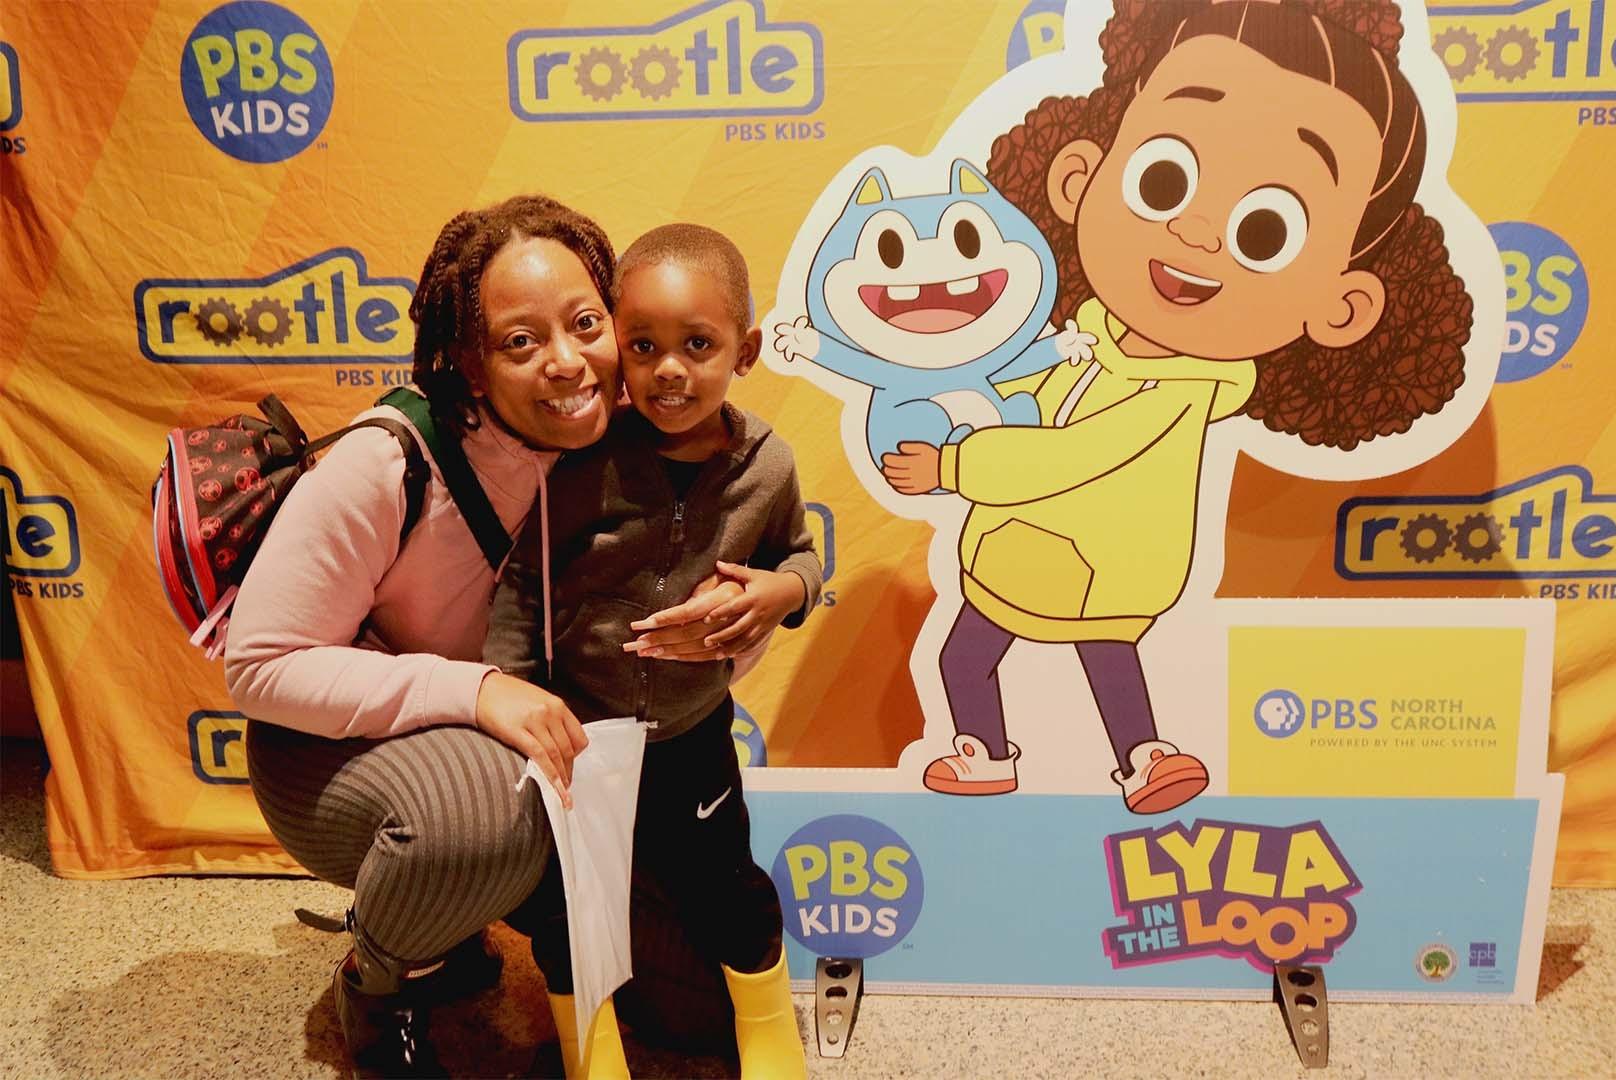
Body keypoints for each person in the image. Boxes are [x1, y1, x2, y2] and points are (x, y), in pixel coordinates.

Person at [876, 0, 1473, 811]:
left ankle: (1047, 756)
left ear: (1340, 304)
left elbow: (1071, 454)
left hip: (1080, 555)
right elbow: (1038, 392)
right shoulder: (1091, 336)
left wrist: (952, 464)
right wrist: (964, 375)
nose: (1196, 231)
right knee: (1088, 659)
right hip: (1051, 550)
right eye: (1165, 178)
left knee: (988, 657)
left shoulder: (1177, 392)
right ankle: (1108, 756)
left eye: (1268, 229)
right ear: (1081, 179)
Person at [224, 196, 757, 1077]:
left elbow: (701, 618)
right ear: (470, 364)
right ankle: (384, 975)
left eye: (585, 324)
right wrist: (473, 689)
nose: (566, 363)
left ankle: (460, 916)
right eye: (520, 342)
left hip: (521, 732)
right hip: (338, 752)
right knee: (486, 817)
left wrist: (740, 623)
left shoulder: (646, 444)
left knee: (686, 1006)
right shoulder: (390, 462)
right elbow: (261, 666)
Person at [488, 224, 821, 1079]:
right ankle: (590, 1049)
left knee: (727, 885)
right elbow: (526, 584)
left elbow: (800, 555)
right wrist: (519, 697)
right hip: (580, 737)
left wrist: (788, 592)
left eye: (698, 346)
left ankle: (769, 1028)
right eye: (644, 346)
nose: (670, 370)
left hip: (691, 735)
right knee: (574, 904)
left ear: (744, 351)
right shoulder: (581, 460)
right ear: (619, 352)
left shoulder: (767, 465)